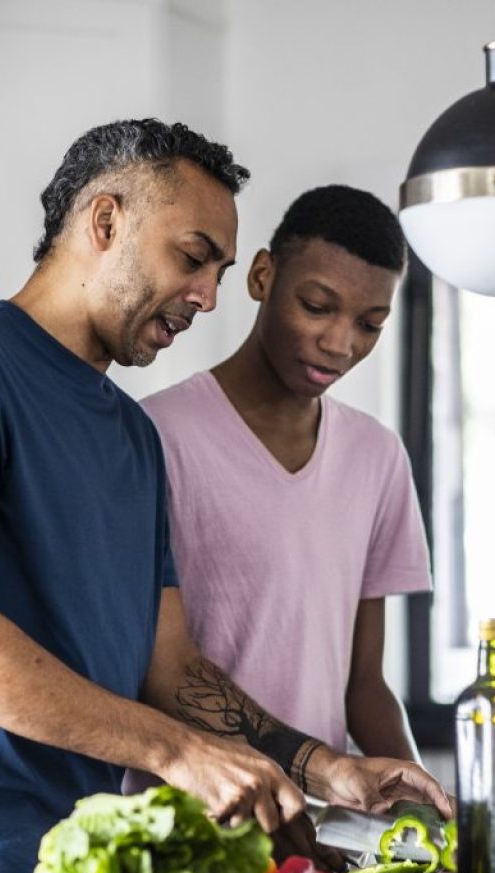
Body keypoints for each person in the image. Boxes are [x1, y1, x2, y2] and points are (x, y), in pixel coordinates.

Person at [0, 122, 449, 873]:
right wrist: (181, 755)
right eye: (191, 258)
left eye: (218, 271)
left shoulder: (131, 435)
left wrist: (324, 767)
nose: (207, 296)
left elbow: (174, 668)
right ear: (106, 221)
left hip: (85, 865)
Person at [142, 185, 429, 765]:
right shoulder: (153, 435)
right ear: (262, 277)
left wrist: (427, 812)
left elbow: (364, 686)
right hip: (190, 827)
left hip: (324, 830)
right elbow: (153, 668)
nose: (340, 343)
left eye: (370, 323)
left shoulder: (378, 457)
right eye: (318, 306)